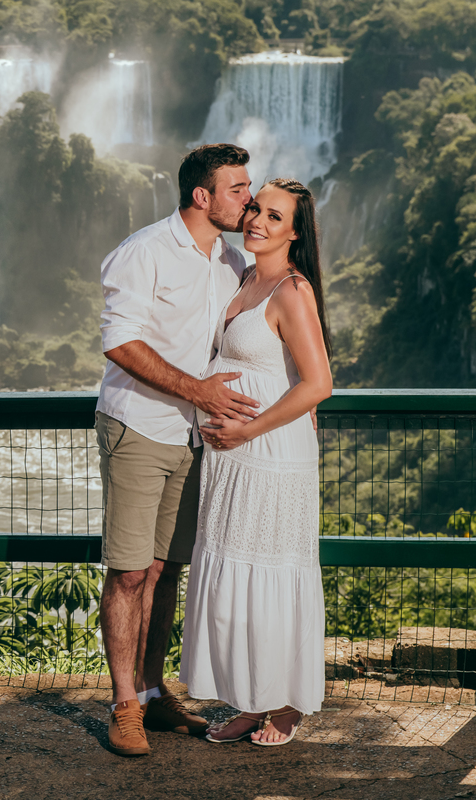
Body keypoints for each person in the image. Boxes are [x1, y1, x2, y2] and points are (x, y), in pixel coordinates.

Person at [96, 143, 258, 757]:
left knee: (167, 571)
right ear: (203, 196)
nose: (248, 197)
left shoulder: (229, 259)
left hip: (194, 437)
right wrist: (197, 391)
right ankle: (123, 706)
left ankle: (156, 694)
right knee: (131, 570)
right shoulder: (145, 252)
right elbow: (119, 343)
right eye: (238, 188)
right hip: (138, 427)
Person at [180, 178, 333, 746]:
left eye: (274, 216)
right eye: (254, 209)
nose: (257, 221)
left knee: (271, 568)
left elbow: (319, 383)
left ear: (295, 232)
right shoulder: (246, 275)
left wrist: (245, 429)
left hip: (268, 453)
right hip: (233, 459)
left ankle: (287, 707)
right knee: (233, 578)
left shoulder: (292, 290)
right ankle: (249, 700)